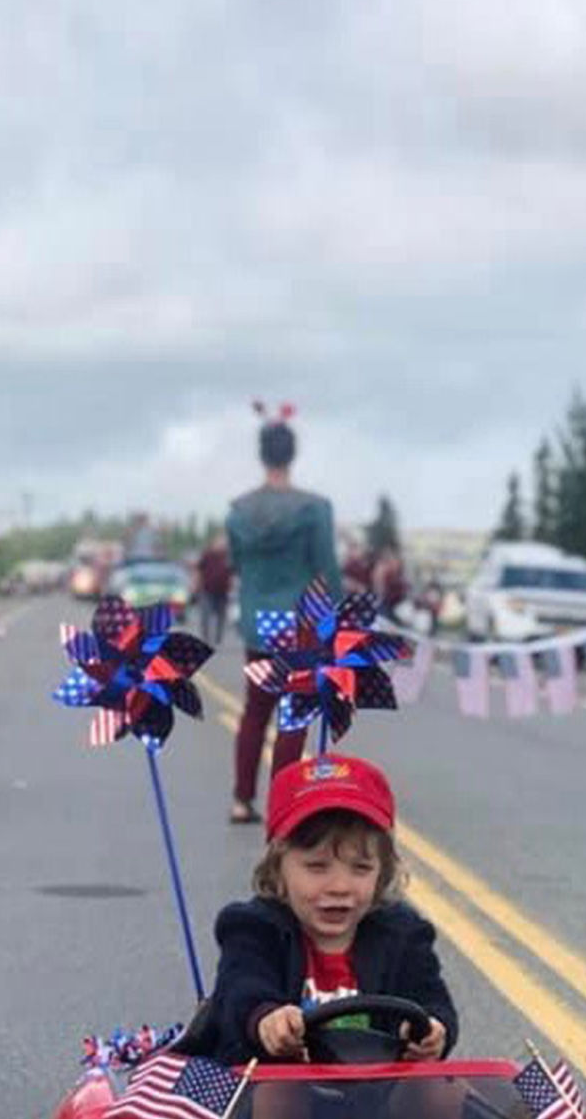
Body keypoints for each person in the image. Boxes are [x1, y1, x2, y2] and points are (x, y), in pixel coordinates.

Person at [210, 754, 457, 1065]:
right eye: (317, 867)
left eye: (360, 868)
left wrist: (434, 1029)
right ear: (277, 871)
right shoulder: (254, 928)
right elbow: (240, 990)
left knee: (444, 1097)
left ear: (382, 874)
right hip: (279, 1089)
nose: (339, 886)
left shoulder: (402, 933)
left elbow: (433, 998)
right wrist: (266, 1019)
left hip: (379, 1092)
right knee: (276, 1103)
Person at [226, 414, 342, 825]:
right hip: (300, 624)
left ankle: (242, 798)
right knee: (294, 713)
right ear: (293, 454)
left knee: (255, 710)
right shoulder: (314, 509)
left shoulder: (238, 511)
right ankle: (284, 803)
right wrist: (338, 617)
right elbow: (325, 566)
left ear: (262, 455)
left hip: (259, 621)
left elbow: (235, 563)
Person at [195, 532, 233, 648]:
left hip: (223, 590)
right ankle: (205, 638)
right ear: (213, 543)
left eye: (223, 543)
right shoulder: (207, 555)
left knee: (221, 616)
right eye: (219, 542)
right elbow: (199, 570)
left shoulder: (228, 556)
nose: (221, 545)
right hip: (207, 589)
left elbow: (232, 573)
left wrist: (231, 585)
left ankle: (218, 638)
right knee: (205, 615)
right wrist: (196, 584)